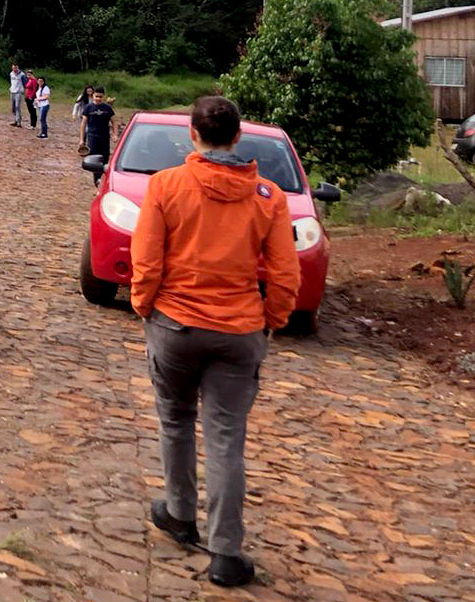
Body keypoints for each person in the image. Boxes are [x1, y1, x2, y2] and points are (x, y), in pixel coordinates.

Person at [131, 96, 300, 588]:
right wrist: (271, 319)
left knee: (175, 420)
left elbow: (147, 260)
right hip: (239, 329)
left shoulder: (166, 186)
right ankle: (226, 551)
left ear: (192, 134)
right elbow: (284, 273)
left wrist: (145, 306)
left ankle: (180, 514)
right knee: (226, 437)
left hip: (175, 325)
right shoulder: (268, 197)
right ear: (238, 137)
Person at [82, 87, 117, 184]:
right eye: (96, 96)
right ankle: (97, 181)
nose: (98, 98)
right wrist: (81, 140)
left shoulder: (107, 108)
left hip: (105, 138)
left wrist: (115, 134)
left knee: (105, 159)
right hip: (92, 137)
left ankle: (103, 179)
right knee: (95, 160)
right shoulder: (88, 108)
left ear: (103, 97)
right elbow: (83, 124)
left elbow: (114, 121)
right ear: (93, 95)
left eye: (100, 97)